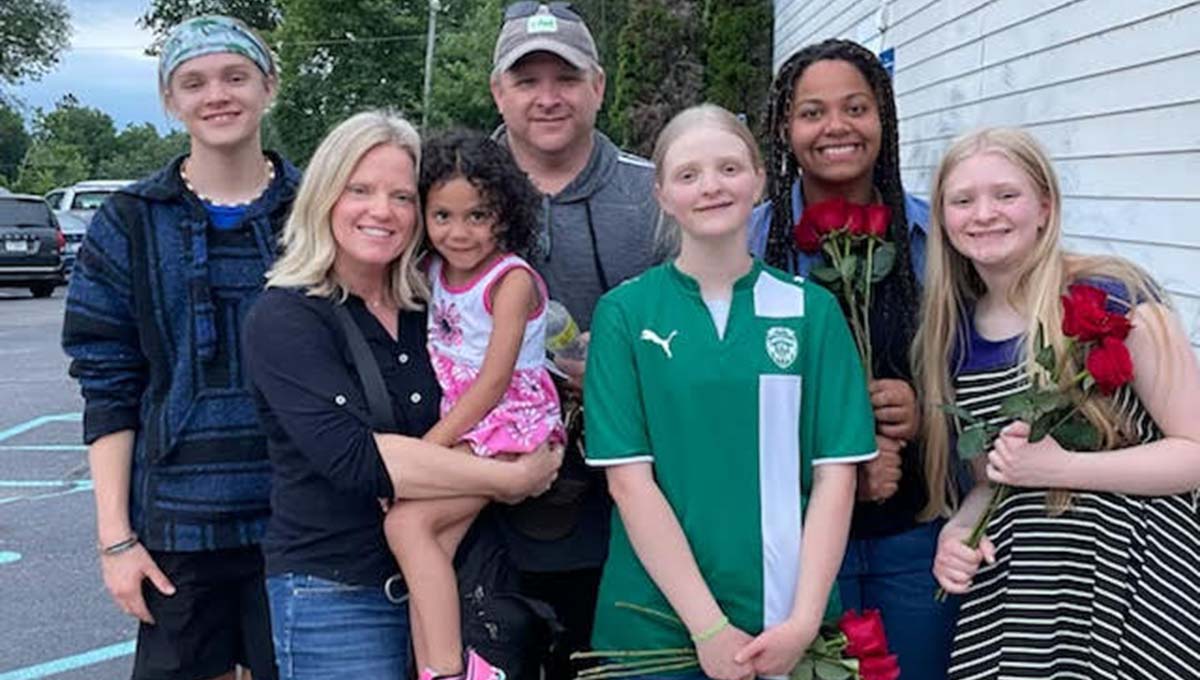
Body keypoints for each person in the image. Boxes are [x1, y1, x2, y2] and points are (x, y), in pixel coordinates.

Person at [240, 111, 561, 680]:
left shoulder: (433, 307)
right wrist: (510, 480)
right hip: (333, 596)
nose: (381, 210)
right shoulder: (288, 316)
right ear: (323, 197)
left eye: (400, 196)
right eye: (359, 190)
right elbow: (356, 458)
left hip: (447, 583)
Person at [585, 104, 875, 680]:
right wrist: (709, 629)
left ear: (759, 180)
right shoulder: (623, 313)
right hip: (654, 624)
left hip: (784, 622)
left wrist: (803, 623)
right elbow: (629, 482)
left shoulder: (811, 311)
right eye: (689, 175)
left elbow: (836, 477)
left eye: (728, 168)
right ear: (663, 193)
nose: (711, 186)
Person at [62, 15, 297, 680]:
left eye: (235, 76)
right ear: (171, 100)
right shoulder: (127, 224)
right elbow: (107, 388)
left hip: (303, 522)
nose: (215, 94)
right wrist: (116, 540)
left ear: (268, 85)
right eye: (193, 82)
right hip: (175, 533)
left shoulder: (319, 210)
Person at [923, 127, 1200, 679]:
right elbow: (997, 478)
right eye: (963, 200)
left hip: (1133, 579)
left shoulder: (1114, 297)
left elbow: (1194, 450)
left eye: (1006, 195)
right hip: (1029, 594)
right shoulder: (952, 337)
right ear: (943, 218)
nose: (984, 213)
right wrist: (958, 532)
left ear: (1045, 207)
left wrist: (1067, 467)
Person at [747, 38, 955, 678]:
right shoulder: (752, 245)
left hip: (917, 537)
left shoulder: (936, 240)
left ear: (883, 119)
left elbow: (984, 364)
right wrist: (840, 435)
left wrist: (928, 411)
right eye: (812, 112)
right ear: (786, 128)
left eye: (856, 108)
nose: (836, 127)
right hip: (798, 545)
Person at [488, 4, 662, 678]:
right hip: (492, 511)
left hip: (635, 510)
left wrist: (625, 369)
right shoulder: (451, 192)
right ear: (497, 91)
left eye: (565, 76)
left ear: (600, 85)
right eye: (526, 80)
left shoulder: (658, 194)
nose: (548, 97)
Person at [384, 130, 565, 680]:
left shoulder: (508, 280)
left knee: (407, 528)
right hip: (469, 424)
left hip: (508, 424)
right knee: (424, 541)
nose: (459, 233)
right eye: (442, 216)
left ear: (504, 214)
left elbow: (492, 383)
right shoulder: (433, 272)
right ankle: (445, 668)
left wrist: (429, 449)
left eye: (477, 216)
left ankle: (446, 671)